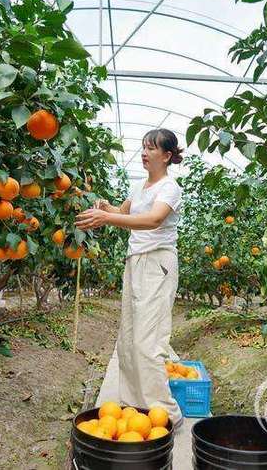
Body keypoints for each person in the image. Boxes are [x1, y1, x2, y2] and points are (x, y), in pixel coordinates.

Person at [74, 128, 185, 431]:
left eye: (151, 148)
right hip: (135, 263)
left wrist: (108, 218)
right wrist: (102, 207)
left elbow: (153, 220)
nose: (145, 153)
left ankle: (167, 415)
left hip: (157, 265)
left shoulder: (169, 187)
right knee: (129, 340)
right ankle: (140, 409)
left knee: (148, 342)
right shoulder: (140, 187)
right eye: (143, 147)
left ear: (167, 155)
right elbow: (121, 212)